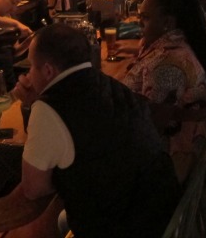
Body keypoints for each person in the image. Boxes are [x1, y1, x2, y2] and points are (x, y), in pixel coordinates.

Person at [13, 24, 179, 238]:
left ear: (47, 71)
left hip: (125, 228)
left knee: (41, 225)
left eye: (31, 68)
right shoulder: (108, 84)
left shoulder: (50, 107)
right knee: (63, 219)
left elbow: (33, 189)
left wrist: (33, 107)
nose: (28, 75)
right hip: (166, 215)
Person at [123, 0, 206, 180]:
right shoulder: (177, 45)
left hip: (171, 161)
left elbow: (150, 128)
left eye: (146, 18)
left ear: (167, 23)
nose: (139, 23)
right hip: (183, 144)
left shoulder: (167, 65)